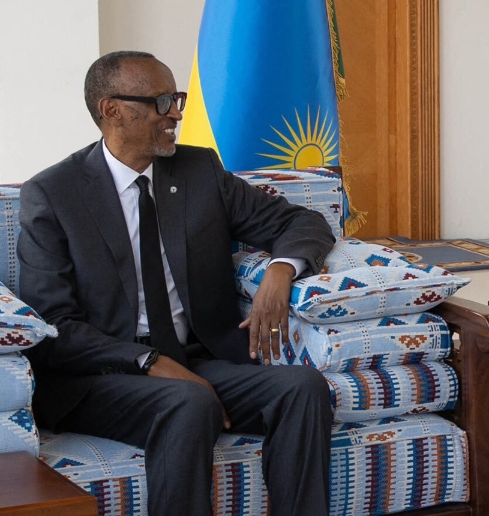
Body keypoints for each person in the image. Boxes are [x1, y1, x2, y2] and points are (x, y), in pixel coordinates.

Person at [18, 51, 336, 516]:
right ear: (112, 110)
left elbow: (302, 222)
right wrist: (147, 360)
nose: (176, 114)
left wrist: (281, 269)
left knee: (303, 387)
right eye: (161, 102)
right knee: (187, 401)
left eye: (177, 99)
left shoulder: (199, 171)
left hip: (197, 359)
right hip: (101, 378)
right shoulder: (53, 194)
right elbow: (53, 325)